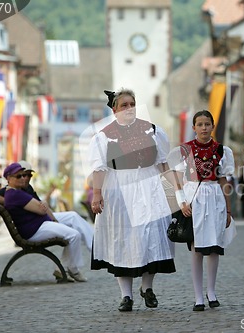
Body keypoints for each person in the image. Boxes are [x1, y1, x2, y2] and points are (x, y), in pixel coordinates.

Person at [89, 88, 175, 312]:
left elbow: (163, 164)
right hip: (118, 190)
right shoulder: (104, 135)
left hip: (149, 187)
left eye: (132, 104)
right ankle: (125, 295)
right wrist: (97, 195)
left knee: (151, 238)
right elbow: (98, 168)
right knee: (122, 240)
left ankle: (147, 288)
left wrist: (175, 191)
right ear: (114, 109)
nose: (129, 108)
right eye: (124, 105)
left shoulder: (153, 131)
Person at [170, 110, 235, 311]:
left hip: (214, 196)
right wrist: (182, 203)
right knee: (196, 248)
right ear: (194, 127)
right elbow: (177, 180)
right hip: (193, 197)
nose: (204, 128)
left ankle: (211, 291)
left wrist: (228, 208)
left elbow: (223, 179)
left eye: (207, 124)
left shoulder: (222, 150)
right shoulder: (184, 150)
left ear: (212, 126)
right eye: (200, 124)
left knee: (214, 247)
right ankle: (198, 296)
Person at [0, 160, 94, 282]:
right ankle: (72, 269)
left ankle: (94, 246)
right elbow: (41, 209)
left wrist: (50, 215)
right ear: (9, 178)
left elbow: (42, 207)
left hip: (38, 223)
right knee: (74, 235)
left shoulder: (20, 191)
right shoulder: (15, 194)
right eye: (19, 176)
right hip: (35, 228)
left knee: (73, 217)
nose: (24, 178)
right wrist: (35, 206)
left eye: (26, 175)